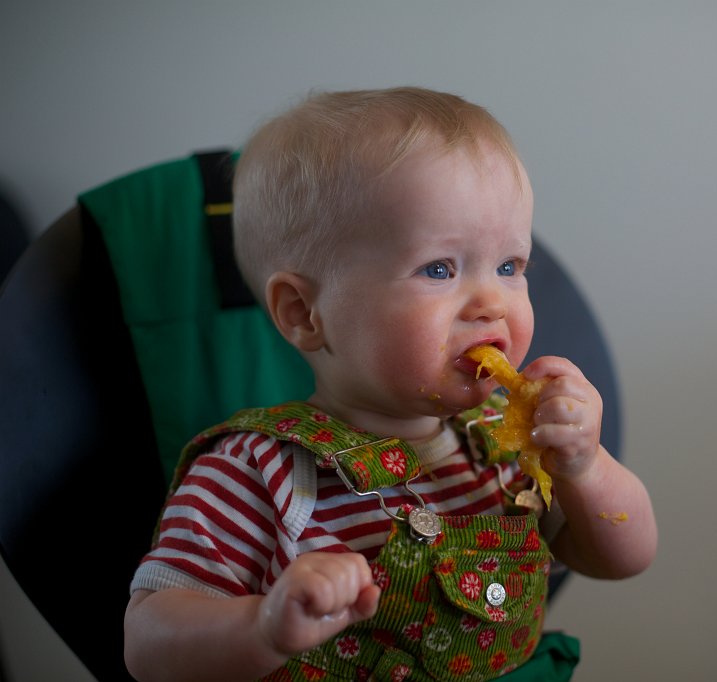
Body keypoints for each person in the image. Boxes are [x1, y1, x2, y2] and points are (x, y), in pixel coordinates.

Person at [123, 87, 657, 682]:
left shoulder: (509, 448)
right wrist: (261, 627)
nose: (492, 302)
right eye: (439, 269)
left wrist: (585, 468)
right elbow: (146, 644)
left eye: (509, 266)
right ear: (303, 312)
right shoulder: (259, 474)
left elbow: (623, 558)